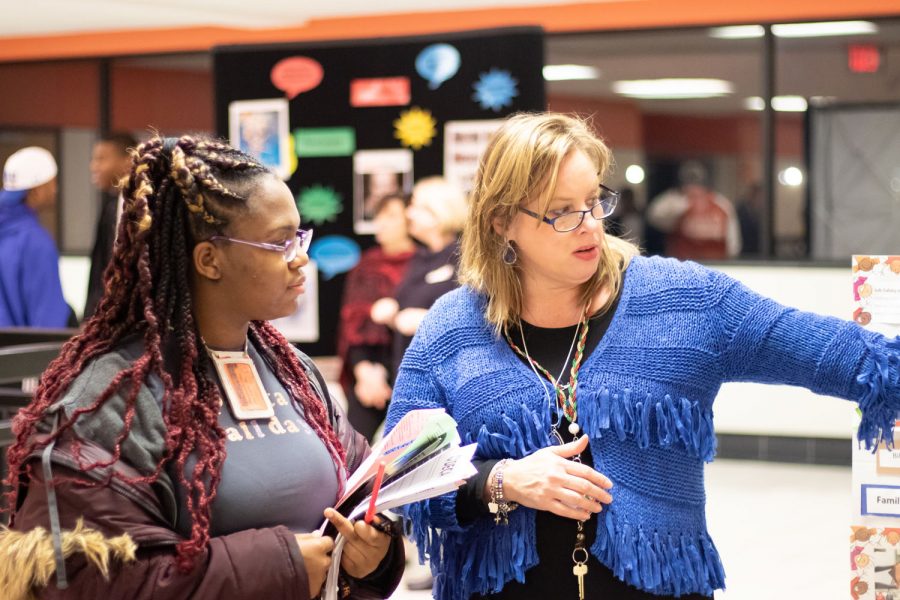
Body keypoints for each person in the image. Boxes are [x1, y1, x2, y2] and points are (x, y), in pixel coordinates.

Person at [384, 112, 900, 600]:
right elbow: (398, 474)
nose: (589, 225)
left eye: (593, 201)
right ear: (501, 223)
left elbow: (842, 355)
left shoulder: (686, 301)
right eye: (561, 212)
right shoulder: (453, 328)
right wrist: (500, 482)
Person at [0, 135, 403, 599]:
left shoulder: (294, 371)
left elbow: (357, 492)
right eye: (279, 243)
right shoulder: (108, 403)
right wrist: (278, 567)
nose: (301, 257)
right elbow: (86, 581)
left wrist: (375, 553)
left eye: (300, 236)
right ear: (210, 260)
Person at [370, 176, 467, 378]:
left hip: (448, 375)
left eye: (415, 206)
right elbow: (405, 309)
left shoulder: (465, 258)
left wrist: (429, 320)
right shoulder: (420, 257)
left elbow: (479, 316)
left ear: (437, 212)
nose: (409, 213)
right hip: (411, 373)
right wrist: (391, 308)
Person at [337, 192, 415, 441]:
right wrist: (364, 371)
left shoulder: (426, 264)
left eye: (391, 216)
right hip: (370, 367)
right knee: (352, 446)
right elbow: (351, 322)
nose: (381, 223)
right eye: (378, 216)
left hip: (413, 369)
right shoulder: (366, 265)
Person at [0, 146, 72, 328]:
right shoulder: (35, 242)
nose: (56, 190)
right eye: (52, 183)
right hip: (18, 355)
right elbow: (48, 324)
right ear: (36, 190)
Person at [85, 132, 138, 319]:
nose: (94, 166)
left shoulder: (146, 206)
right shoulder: (109, 207)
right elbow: (99, 268)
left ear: (128, 161)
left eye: (101, 159)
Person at [646, 160, 741, 260]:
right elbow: (653, 216)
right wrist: (682, 204)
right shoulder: (676, 202)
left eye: (697, 182)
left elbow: (734, 245)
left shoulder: (721, 204)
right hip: (683, 265)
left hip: (716, 265)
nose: (694, 187)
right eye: (690, 182)